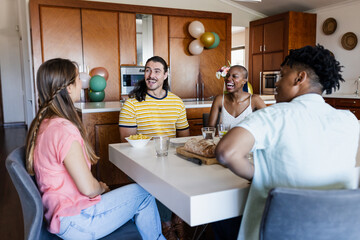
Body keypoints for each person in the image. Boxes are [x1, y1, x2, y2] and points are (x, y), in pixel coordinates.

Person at [216, 45, 360, 240]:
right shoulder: (349, 119)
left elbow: (227, 153)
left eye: (282, 76)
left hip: (278, 230)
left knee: (221, 219)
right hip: (336, 230)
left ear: (299, 78)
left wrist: (262, 176)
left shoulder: (274, 113)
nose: (276, 83)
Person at [26, 58, 165, 240]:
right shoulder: (63, 129)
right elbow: (89, 189)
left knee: (137, 195)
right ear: (68, 88)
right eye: (77, 79)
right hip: (77, 222)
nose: (81, 84)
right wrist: (101, 187)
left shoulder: (46, 124)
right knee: (145, 194)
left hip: (63, 216)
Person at [119, 56, 190, 240]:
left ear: (166, 75)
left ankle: (177, 219)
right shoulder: (132, 103)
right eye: (148, 70)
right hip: (142, 161)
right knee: (159, 178)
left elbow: (184, 138)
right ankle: (167, 224)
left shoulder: (176, 102)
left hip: (171, 157)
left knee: (187, 174)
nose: (151, 75)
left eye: (157, 71)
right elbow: (127, 142)